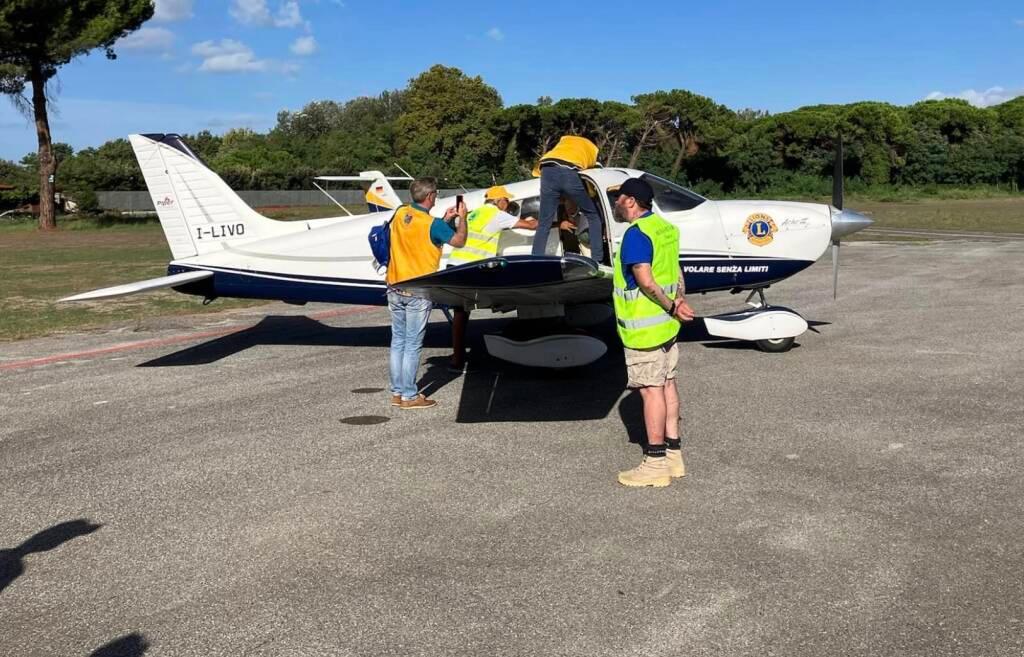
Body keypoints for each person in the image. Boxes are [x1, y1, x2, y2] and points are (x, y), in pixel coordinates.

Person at [611, 177, 695, 487]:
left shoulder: (636, 234)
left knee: (651, 390)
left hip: (644, 329)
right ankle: (674, 456)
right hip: (667, 327)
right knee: (668, 384)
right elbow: (676, 270)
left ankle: (655, 462)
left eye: (619, 199)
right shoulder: (665, 228)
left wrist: (672, 307)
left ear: (631, 201)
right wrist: (679, 302)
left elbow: (645, 280)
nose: (617, 204)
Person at [387, 177, 467, 409]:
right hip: (418, 290)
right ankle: (410, 396)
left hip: (394, 285)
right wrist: (461, 219)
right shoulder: (432, 224)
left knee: (398, 342)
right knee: (412, 344)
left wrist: (445, 220)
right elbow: (459, 241)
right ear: (431, 196)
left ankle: (397, 391)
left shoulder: (400, 213)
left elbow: (419, 233)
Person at [448, 185, 538, 371]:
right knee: (463, 313)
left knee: (461, 314)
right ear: (499, 201)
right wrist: (541, 220)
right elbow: (530, 226)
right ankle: (457, 361)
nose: (508, 205)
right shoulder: (497, 214)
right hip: (470, 268)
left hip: (455, 264)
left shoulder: (474, 213)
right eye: (507, 201)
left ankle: (457, 359)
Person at [529, 135, 606, 264]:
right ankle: (597, 261)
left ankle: (535, 260)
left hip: (546, 168)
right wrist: (591, 196)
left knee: (544, 223)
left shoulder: (564, 142)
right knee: (593, 215)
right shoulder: (591, 149)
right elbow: (592, 178)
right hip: (568, 170)